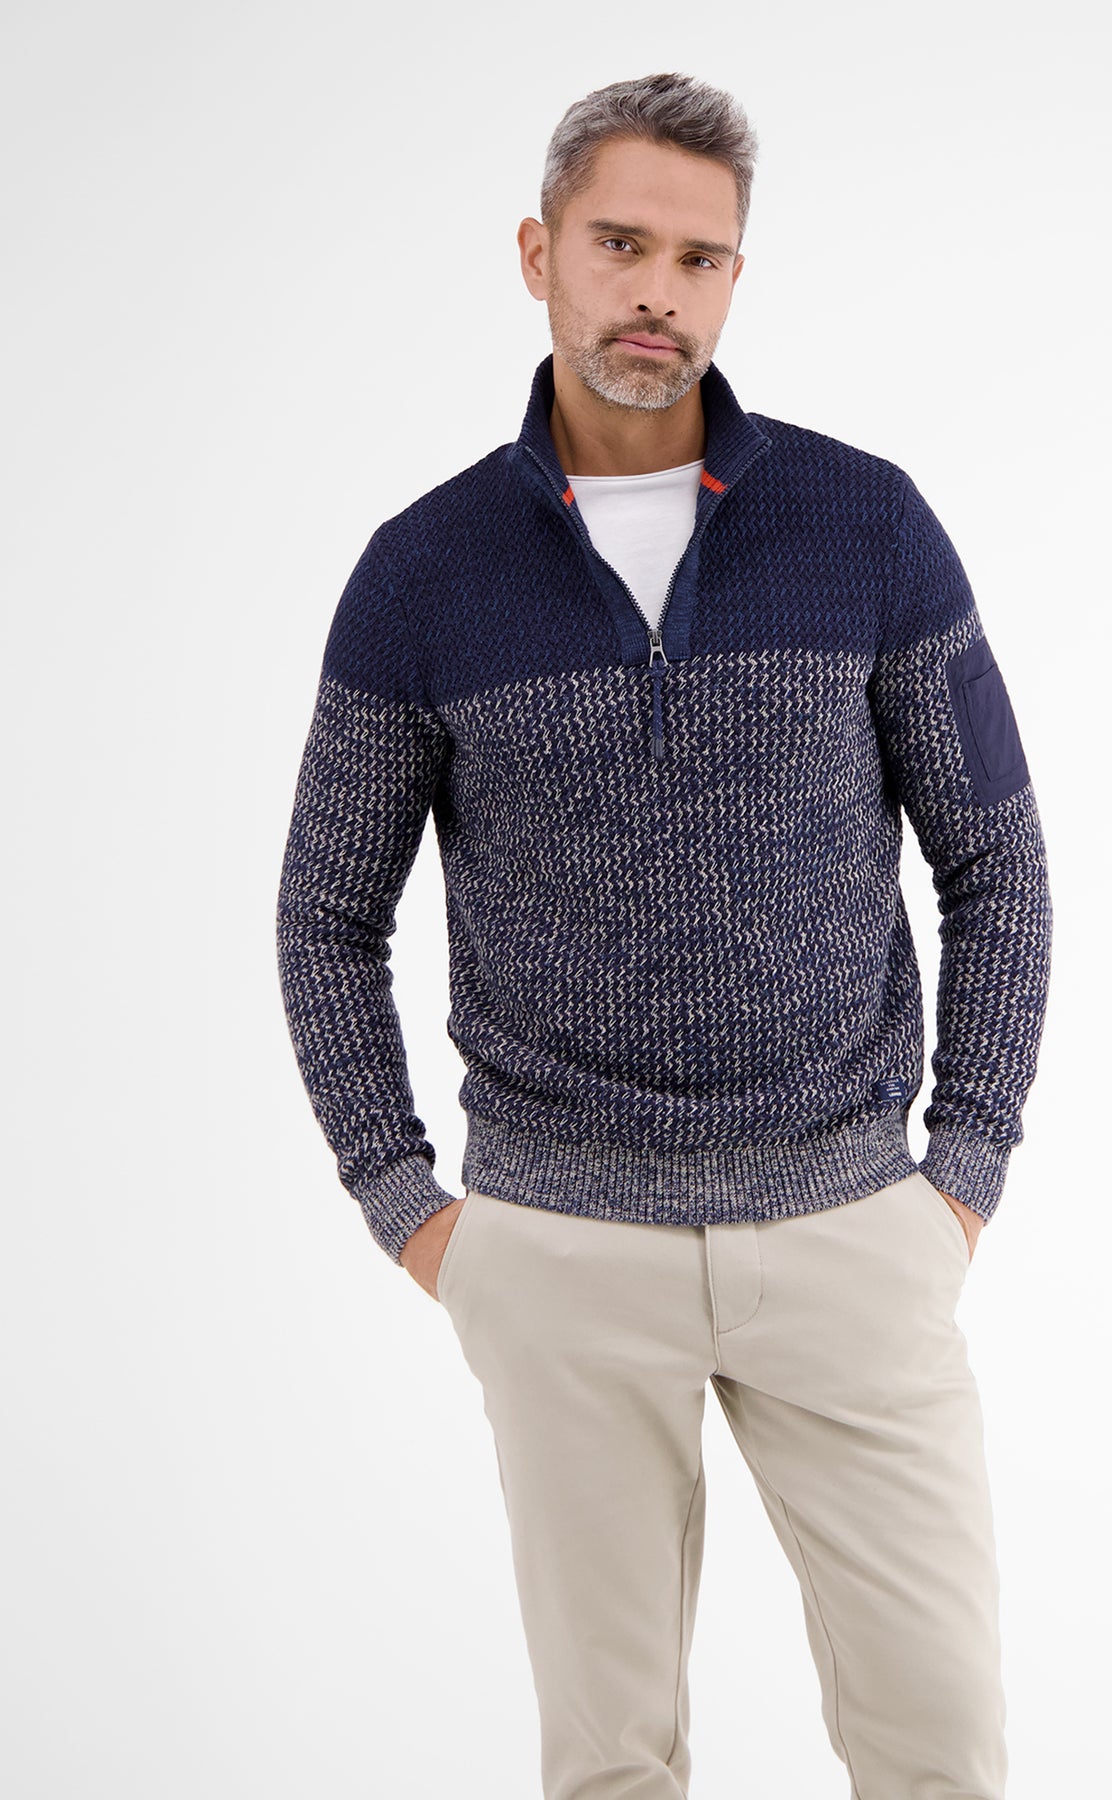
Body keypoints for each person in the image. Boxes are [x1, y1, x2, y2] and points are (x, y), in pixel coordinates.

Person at [276, 68, 1052, 1800]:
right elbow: (327, 913)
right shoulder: (421, 573)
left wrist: (963, 1169)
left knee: (941, 1742)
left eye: (699, 259)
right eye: (620, 245)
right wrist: (411, 1209)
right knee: (611, 1765)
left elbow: (995, 857)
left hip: (853, 1229)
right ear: (538, 254)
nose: (658, 293)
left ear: (734, 280)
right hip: (557, 1252)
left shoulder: (864, 525)